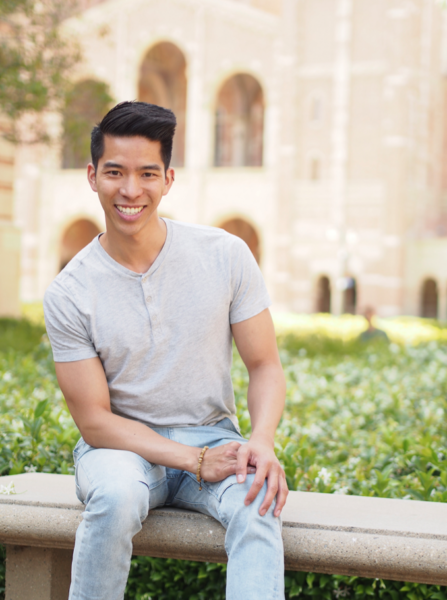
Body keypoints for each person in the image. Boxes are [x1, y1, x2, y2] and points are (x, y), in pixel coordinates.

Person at [43, 101, 288, 600]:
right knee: (112, 497)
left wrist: (261, 439)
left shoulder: (225, 254)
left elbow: (264, 365)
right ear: (92, 176)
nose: (131, 191)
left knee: (259, 502)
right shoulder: (69, 292)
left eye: (146, 174)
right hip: (122, 451)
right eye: (115, 172)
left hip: (216, 438)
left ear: (169, 179)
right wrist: (192, 461)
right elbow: (95, 422)